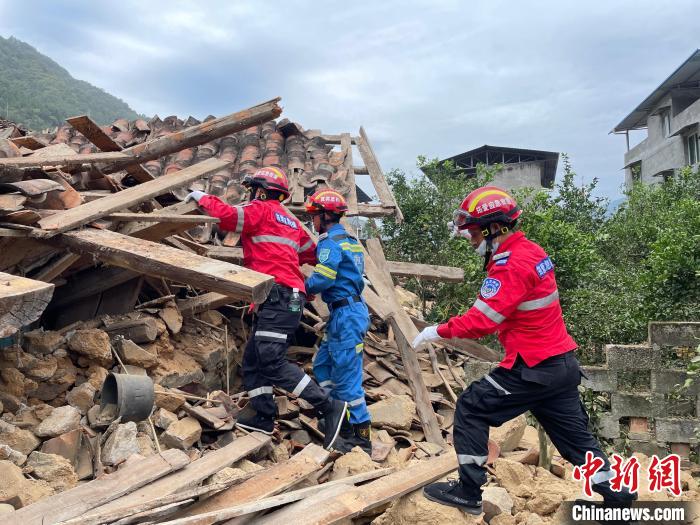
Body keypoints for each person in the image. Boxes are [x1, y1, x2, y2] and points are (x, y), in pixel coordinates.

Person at [412, 186, 637, 515]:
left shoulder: (509, 265)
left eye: (473, 232)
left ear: (494, 229)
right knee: (577, 443)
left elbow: (483, 321)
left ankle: (468, 491)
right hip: (561, 366)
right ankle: (618, 497)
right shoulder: (532, 251)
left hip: (531, 367)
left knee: (472, 407)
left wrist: (437, 331)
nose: (470, 240)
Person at [186, 167, 348, 451]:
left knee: (271, 359)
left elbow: (227, 217)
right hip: (290, 297)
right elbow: (312, 251)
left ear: (260, 190)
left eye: (252, 190)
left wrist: (202, 197)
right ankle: (262, 415)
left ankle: (328, 405)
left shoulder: (259, 209)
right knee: (254, 359)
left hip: (278, 295)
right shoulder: (293, 222)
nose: (250, 194)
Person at [304, 189, 371, 454]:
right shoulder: (351, 241)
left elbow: (323, 278)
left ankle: (360, 436)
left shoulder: (330, 243)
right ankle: (337, 416)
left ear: (325, 215)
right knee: (323, 365)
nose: (312, 221)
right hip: (345, 312)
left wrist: (303, 287)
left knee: (346, 378)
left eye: (314, 215)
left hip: (346, 315)